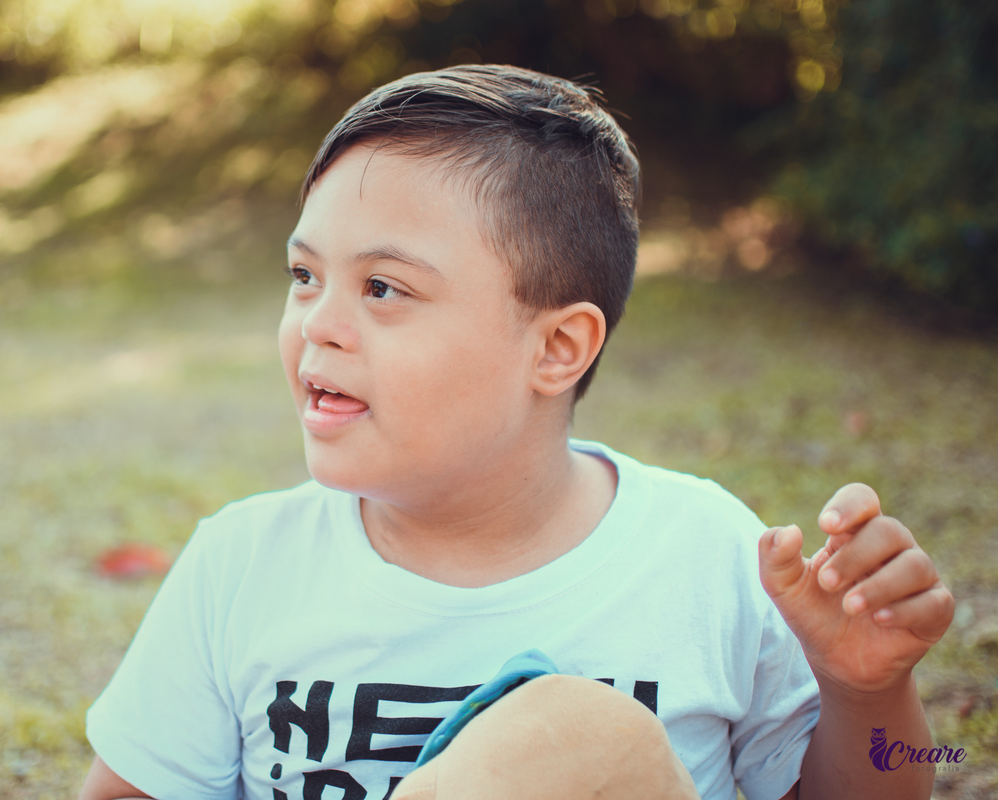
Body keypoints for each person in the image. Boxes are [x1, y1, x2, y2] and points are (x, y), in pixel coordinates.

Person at [78, 65, 955, 800]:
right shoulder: (243, 566)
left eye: (383, 288)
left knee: (580, 736)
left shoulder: (703, 555)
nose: (319, 323)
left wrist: (866, 692)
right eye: (304, 276)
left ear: (558, 348)